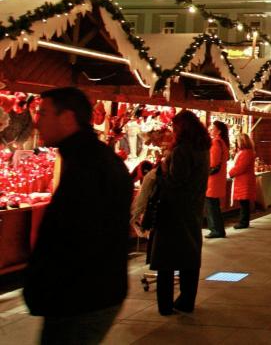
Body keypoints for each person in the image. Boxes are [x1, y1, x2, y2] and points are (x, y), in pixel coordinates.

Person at [24, 87, 133, 344]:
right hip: (88, 294)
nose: (37, 121)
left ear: (67, 117)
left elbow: (77, 237)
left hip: (80, 298)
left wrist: (46, 285)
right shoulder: (90, 158)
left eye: (43, 113)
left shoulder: (89, 165)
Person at [149, 110, 210, 316]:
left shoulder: (183, 150)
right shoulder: (202, 149)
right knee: (189, 257)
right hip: (193, 208)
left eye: (175, 128)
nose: (173, 132)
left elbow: (175, 181)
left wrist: (162, 170)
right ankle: (186, 299)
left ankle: (165, 305)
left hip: (174, 211)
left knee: (165, 259)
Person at [205, 120, 229, 238]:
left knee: (211, 206)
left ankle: (216, 229)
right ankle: (218, 229)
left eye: (212, 128)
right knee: (214, 205)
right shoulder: (222, 142)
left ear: (218, 130)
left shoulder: (215, 142)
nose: (210, 129)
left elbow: (213, 162)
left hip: (212, 180)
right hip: (217, 179)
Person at [229, 133, 256, 229]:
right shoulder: (247, 152)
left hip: (243, 180)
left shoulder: (245, 153)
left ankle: (243, 222)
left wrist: (230, 172)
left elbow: (241, 167)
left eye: (238, 141)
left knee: (244, 202)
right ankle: (244, 221)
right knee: (244, 202)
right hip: (244, 180)